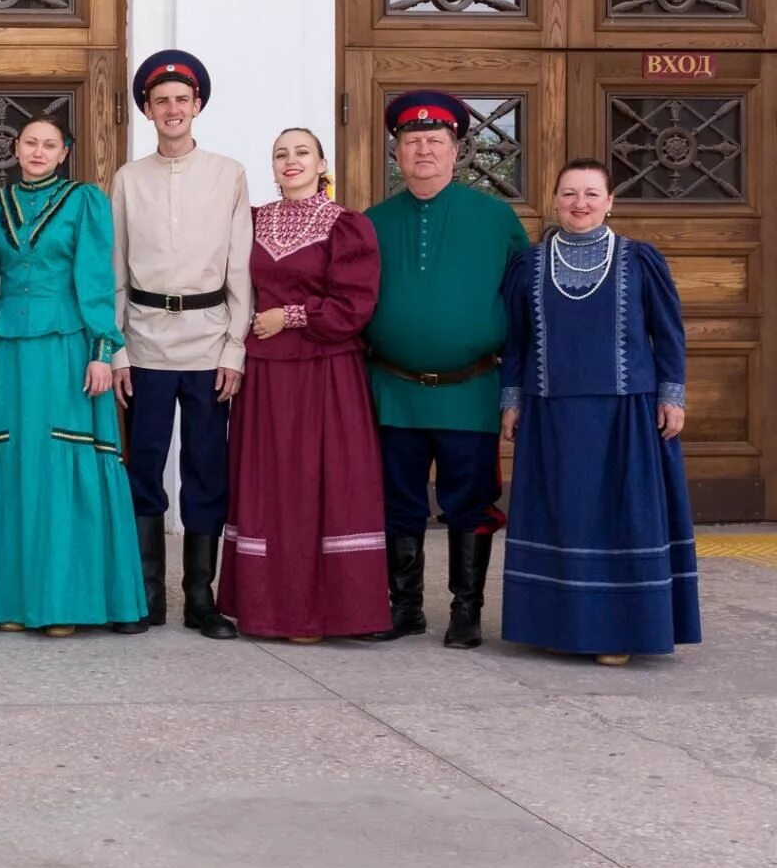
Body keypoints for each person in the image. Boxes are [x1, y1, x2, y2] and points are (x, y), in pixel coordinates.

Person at [500, 159, 700, 666]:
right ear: (555, 200)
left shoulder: (640, 260)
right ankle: (558, 626)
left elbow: (668, 333)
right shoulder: (530, 265)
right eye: (569, 194)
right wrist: (511, 399)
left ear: (610, 201)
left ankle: (619, 632)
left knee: (617, 518)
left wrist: (671, 394)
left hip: (625, 415)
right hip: (551, 415)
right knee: (561, 517)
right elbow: (516, 342)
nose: (580, 203)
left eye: (591, 193)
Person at [0, 117, 145, 636]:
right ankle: (10, 601)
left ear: (64, 153)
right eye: (30, 143)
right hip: (6, 351)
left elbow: (97, 280)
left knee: (61, 465)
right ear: (15, 149)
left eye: (49, 145)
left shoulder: (85, 202)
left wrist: (103, 350)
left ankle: (64, 604)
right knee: (12, 465)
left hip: (67, 348)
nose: (38, 152)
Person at [362, 91, 530, 649]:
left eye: (436, 141)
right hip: (394, 390)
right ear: (397, 153)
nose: (424, 150)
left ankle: (466, 611)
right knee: (397, 501)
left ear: (457, 149)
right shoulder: (371, 223)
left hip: (471, 390)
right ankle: (404, 608)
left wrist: (515, 388)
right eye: (412, 142)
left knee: (471, 502)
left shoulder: (496, 218)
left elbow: (526, 306)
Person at [217, 129, 390, 642]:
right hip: (267, 373)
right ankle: (268, 607)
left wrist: (290, 316)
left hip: (325, 369)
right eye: (281, 154)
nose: (291, 161)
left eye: (301, 153)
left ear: (321, 163)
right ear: (271, 166)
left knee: (324, 482)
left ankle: (323, 611)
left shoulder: (347, 226)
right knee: (271, 484)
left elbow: (356, 305)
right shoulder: (252, 221)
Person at [110, 49, 251, 640]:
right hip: (143, 342)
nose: (172, 109)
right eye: (160, 100)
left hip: (206, 341)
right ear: (147, 109)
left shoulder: (228, 173)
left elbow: (240, 266)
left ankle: (200, 597)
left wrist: (234, 349)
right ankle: (146, 595)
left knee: (205, 470)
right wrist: (115, 349)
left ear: (197, 107)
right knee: (143, 467)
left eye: (181, 100)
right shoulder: (127, 178)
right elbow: (114, 267)